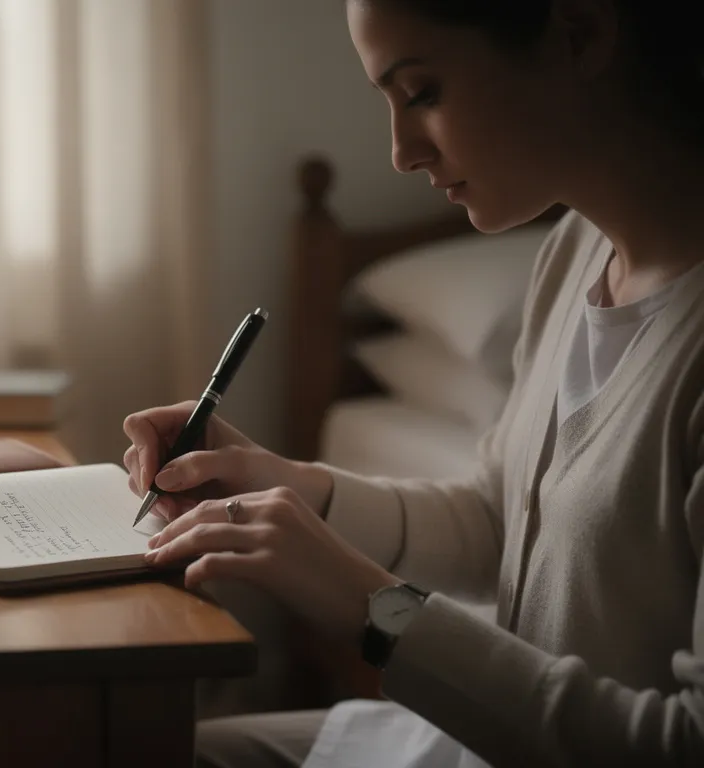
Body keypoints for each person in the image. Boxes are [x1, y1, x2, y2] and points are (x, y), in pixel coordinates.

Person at [122, 1, 704, 766]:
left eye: (422, 92)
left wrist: (373, 608)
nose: (400, 152)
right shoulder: (576, 252)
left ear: (579, 33)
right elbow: (497, 519)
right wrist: (285, 485)